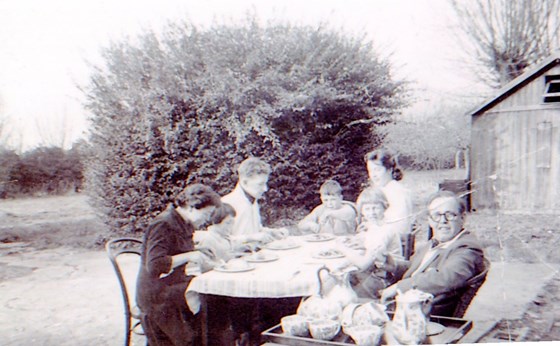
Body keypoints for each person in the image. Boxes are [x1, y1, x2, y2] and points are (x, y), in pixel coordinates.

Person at [136, 183, 223, 346]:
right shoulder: (163, 223)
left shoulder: (184, 222)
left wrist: (199, 249)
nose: (208, 218)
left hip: (172, 286)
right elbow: (155, 265)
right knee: (199, 320)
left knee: (213, 301)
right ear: (192, 207)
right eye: (207, 213)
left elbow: (175, 249)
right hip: (156, 294)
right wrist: (191, 255)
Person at [380, 190, 486, 316]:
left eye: (450, 214)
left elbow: (446, 278)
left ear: (462, 218)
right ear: (430, 220)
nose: (442, 220)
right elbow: (417, 269)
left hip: (425, 314)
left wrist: (399, 287)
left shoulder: (467, 248)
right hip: (407, 305)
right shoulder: (436, 242)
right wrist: (394, 265)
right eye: (436, 215)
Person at [335, 187, 403, 298]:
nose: (371, 213)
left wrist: (341, 247)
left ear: (384, 207)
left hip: (384, 279)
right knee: (340, 278)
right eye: (367, 209)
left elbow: (363, 264)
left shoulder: (385, 230)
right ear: (361, 211)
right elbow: (368, 245)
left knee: (345, 293)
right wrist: (357, 241)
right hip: (373, 272)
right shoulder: (374, 225)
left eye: (375, 208)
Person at [222, 157, 287, 244]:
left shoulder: (252, 199)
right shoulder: (227, 204)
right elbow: (221, 241)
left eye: (265, 183)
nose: (265, 189)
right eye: (260, 184)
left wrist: (271, 232)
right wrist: (250, 238)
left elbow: (252, 229)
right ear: (245, 182)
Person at [364, 149, 414, 238]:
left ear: (389, 170)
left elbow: (400, 225)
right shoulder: (383, 189)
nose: (373, 175)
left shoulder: (397, 192)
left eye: (377, 170)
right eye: (370, 171)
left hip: (394, 241)